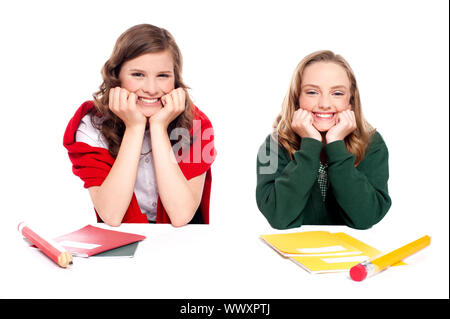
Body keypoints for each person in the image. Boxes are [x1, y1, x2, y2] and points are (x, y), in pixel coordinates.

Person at [63, 24, 216, 227]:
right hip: (123, 241)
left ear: (175, 80)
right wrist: (134, 128)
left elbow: (181, 216)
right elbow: (111, 215)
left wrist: (159, 127)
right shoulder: (92, 126)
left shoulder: (197, 124)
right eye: (137, 75)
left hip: (178, 242)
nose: (151, 89)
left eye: (163, 75)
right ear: (116, 76)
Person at [256, 50, 391, 230]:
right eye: (312, 92)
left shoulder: (372, 143)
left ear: (350, 100)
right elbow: (278, 217)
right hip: (293, 252)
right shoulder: (272, 146)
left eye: (337, 93)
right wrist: (310, 144)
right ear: (297, 99)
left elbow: (366, 218)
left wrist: (336, 144)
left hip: (350, 253)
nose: (325, 104)